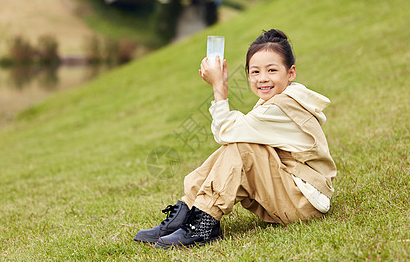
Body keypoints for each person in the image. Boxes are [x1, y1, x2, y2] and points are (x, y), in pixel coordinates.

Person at [134, 29, 337, 249]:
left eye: (272, 70)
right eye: (255, 71)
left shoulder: (282, 107)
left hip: (304, 204)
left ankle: (203, 223)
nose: (263, 78)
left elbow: (226, 131)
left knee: (241, 148)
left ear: (291, 73)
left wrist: (219, 88)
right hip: (294, 194)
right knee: (237, 147)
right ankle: (186, 212)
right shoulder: (280, 100)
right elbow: (231, 134)